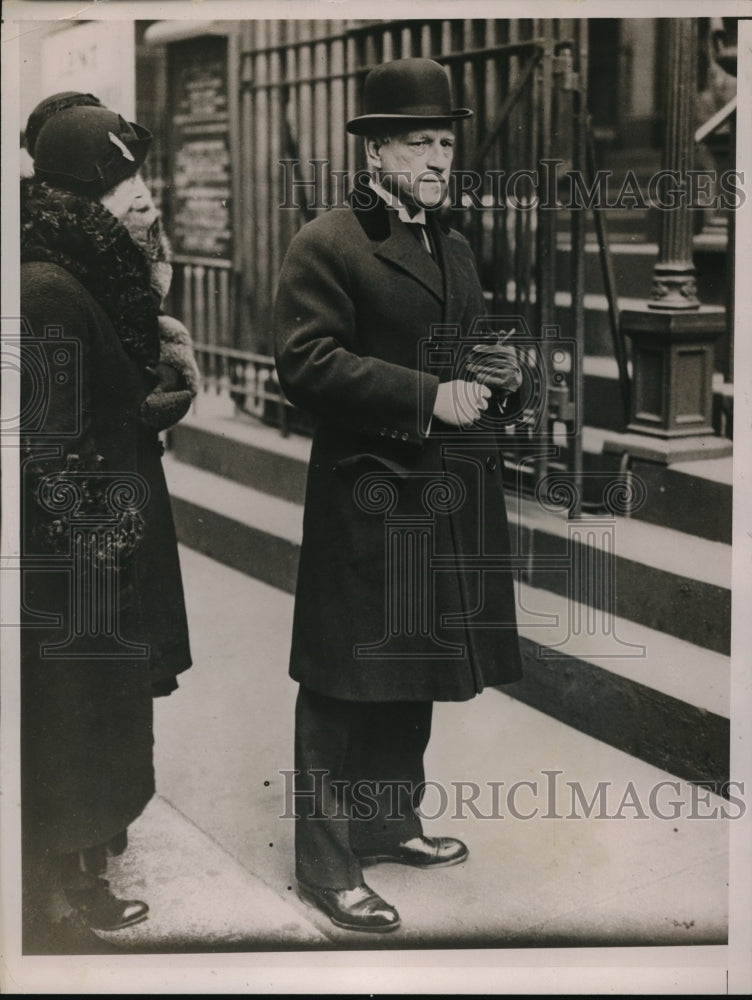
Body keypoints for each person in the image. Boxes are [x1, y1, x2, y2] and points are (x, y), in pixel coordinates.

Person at [274, 58, 523, 933]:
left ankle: (387, 821)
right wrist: (427, 397)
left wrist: (501, 373)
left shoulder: (449, 243)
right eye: (417, 139)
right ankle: (326, 865)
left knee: (409, 667)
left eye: (446, 140)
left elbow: (461, 350)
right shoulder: (329, 241)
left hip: (439, 496)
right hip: (366, 494)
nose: (437, 155)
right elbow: (306, 362)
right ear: (375, 148)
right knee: (343, 681)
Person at [20, 104, 194, 952]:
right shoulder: (48, 287)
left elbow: (107, 394)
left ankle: (79, 867)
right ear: (72, 196)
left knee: (96, 713)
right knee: (70, 719)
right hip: (77, 552)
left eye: (142, 180)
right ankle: (53, 899)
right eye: (120, 184)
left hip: (103, 530)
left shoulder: (92, 270)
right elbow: (51, 449)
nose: (145, 200)